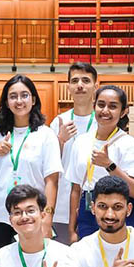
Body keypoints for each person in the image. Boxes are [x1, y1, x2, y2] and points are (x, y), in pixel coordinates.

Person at [0, 75, 62, 255]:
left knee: (32, 264)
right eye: (13, 96)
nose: (19, 101)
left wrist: (47, 218)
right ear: (6, 102)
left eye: (24, 95)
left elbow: (52, 181)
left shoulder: (46, 135)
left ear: (33, 100)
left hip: (31, 216)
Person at [67, 85, 134, 242]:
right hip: (88, 208)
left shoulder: (130, 144)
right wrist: (71, 229)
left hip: (120, 209)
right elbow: (76, 189)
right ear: (94, 106)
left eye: (113, 106)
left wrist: (109, 165)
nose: (105, 111)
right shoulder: (81, 141)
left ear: (123, 112)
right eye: (101, 104)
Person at [52, 62, 99, 240]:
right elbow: (47, 164)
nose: (80, 85)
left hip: (94, 203)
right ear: (68, 87)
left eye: (86, 80)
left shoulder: (103, 120)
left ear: (95, 86)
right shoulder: (59, 121)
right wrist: (60, 140)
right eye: (75, 81)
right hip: (62, 203)